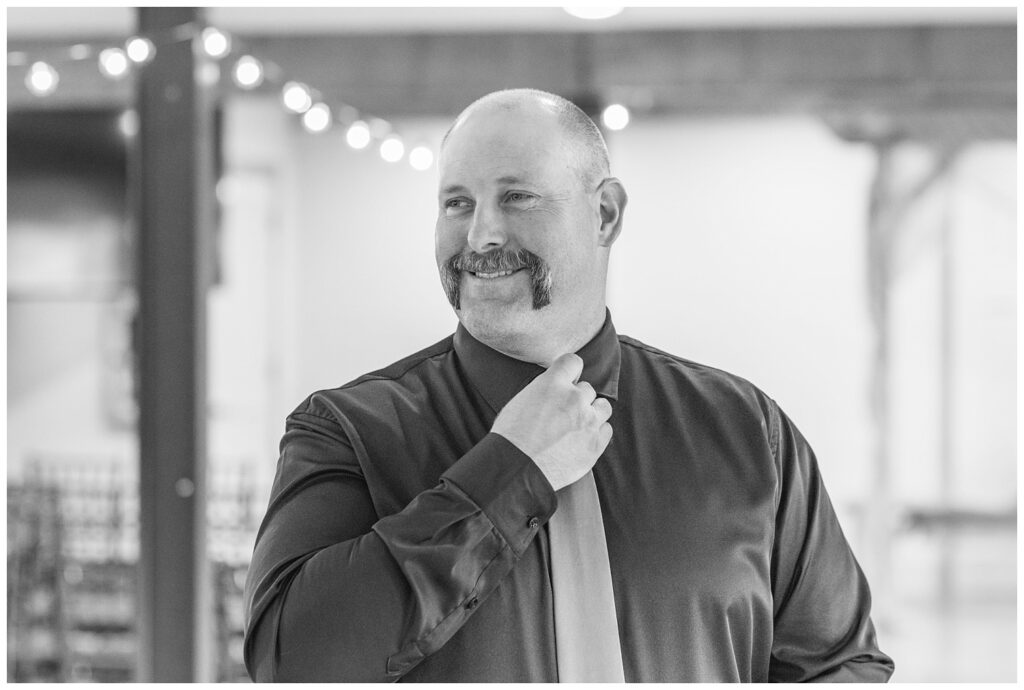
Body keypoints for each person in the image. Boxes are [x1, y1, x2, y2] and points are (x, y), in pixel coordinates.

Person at [243, 88, 894, 682]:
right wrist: (508, 474)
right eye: (457, 202)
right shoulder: (345, 432)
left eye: (516, 196)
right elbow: (287, 662)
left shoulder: (749, 431)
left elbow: (842, 662)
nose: (481, 233)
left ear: (605, 213)